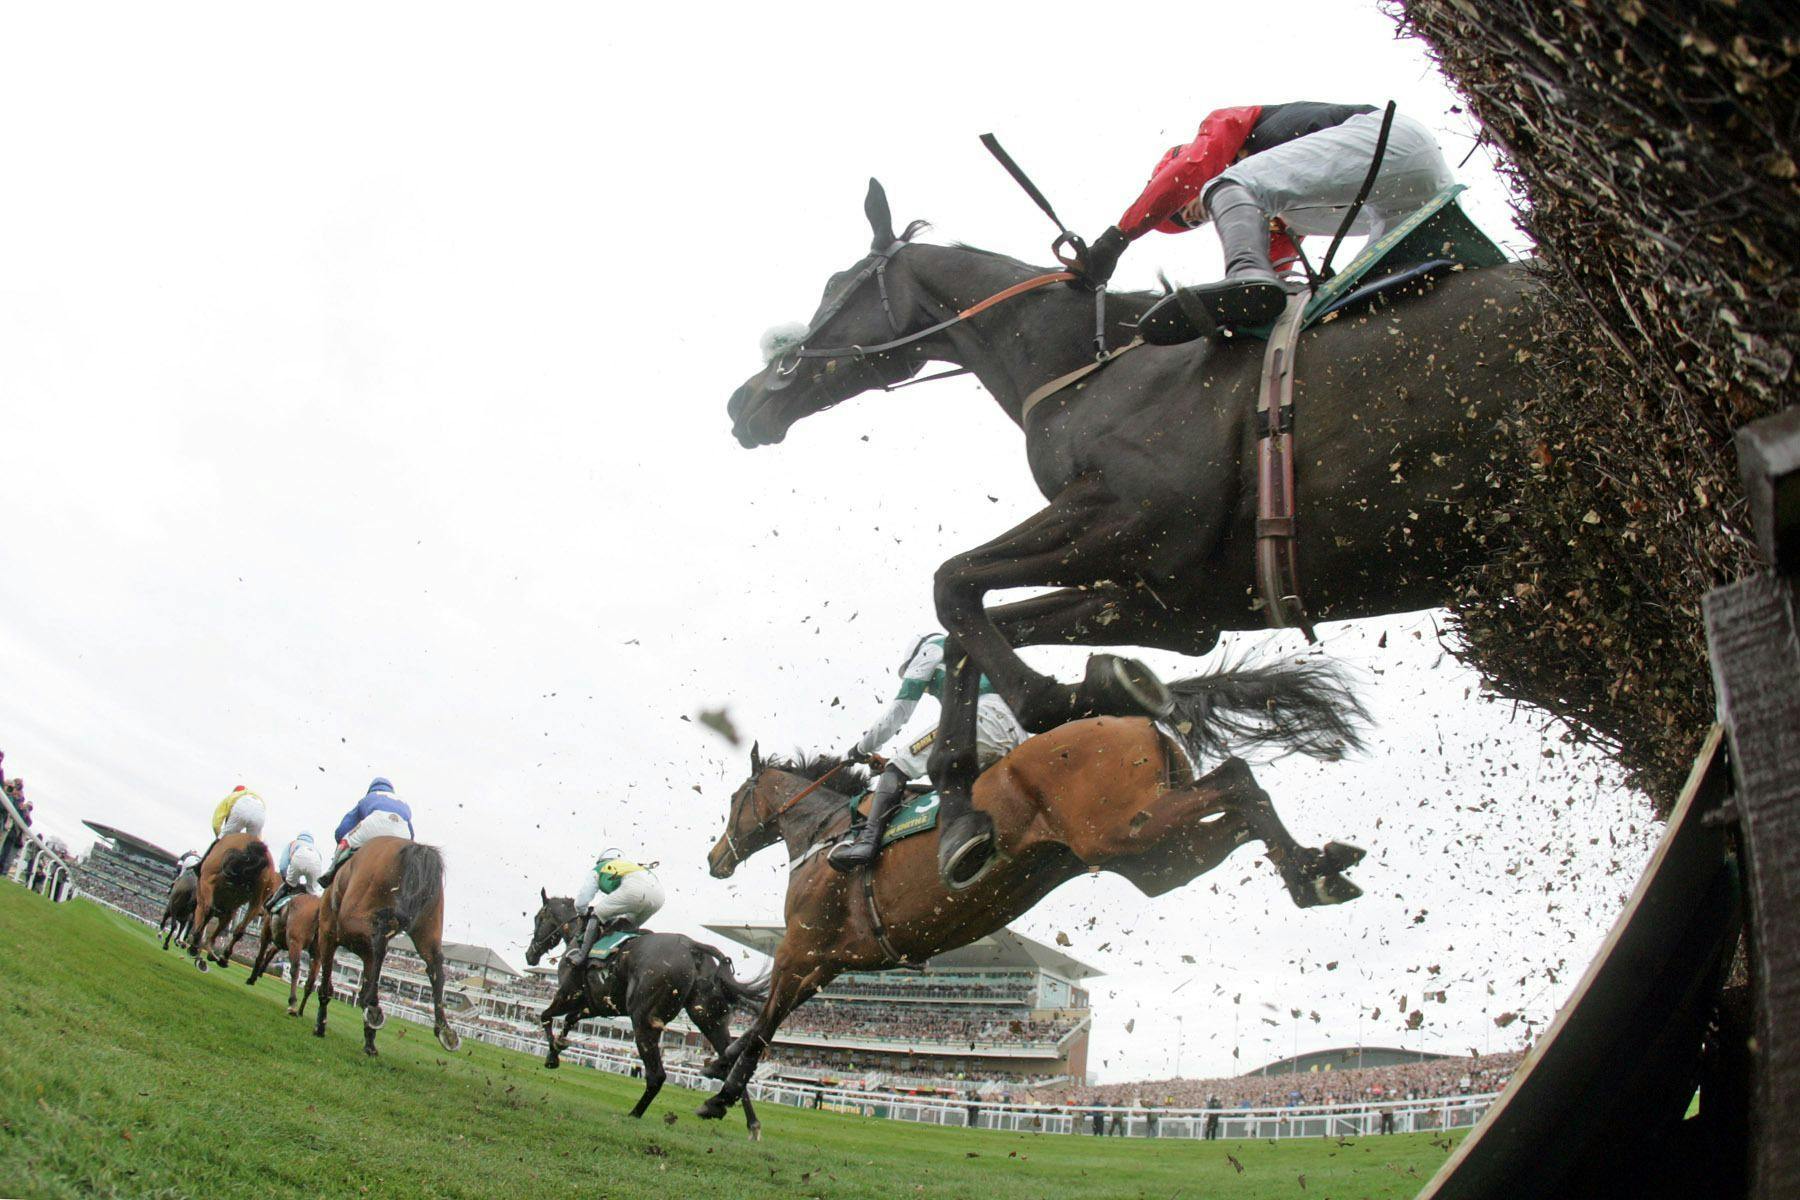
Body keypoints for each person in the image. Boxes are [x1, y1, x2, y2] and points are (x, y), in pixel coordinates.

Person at [1075, 102, 1455, 335]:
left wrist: (1116, 240)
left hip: (1390, 139)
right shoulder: (1277, 207)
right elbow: (1272, 280)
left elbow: (1192, 169)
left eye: (1182, 207)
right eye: (1190, 223)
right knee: (1346, 307)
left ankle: (1241, 272)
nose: (1192, 217)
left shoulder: (1228, 124)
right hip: (1414, 200)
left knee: (1225, 185)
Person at [830, 631, 1027, 872]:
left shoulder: (930, 649)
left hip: (980, 719)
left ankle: (866, 845)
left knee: (899, 765)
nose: (927, 691)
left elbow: (899, 712)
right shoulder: (964, 649)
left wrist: (862, 748)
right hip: (1014, 731)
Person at [564, 848, 664, 968]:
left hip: (634, 890)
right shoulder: (631, 866)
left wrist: (584, 913)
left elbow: (581, 902)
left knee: (597, 913)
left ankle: (581, 956)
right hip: (659, 896)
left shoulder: (600, 867)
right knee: (625, 923)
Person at [319, 777, 413, 885]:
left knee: (345, 840)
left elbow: (344, 828)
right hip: (402, 830)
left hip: (375, 822)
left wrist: (341, 839)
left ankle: (330, 872)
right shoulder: (404, 803)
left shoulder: (369, 797)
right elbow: (411, 833)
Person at [265, 832, 324, 912]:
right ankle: (321, 911)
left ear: (299, 838)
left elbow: (283, 864)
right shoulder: (316, 849)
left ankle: (270, 905)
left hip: (299, 857)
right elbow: (318, 867)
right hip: (316, 863)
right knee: (313, 892)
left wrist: (286, 879)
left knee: (288, 885)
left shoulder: (293, 843)